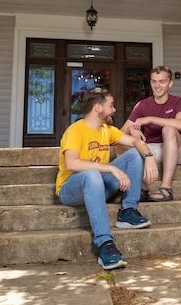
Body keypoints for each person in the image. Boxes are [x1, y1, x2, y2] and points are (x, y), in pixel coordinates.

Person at [56, 88, 159, 270]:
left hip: (98, 186)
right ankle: (105, 244)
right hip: (71, 189)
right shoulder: (75, 130)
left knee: (135, 154)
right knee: (92, 173)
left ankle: (128, 211)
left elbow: (136, 142)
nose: (114, 109)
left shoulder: (107, 130)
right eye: (110, 105)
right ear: (98, 108)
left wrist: (149, 157)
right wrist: (110, 168)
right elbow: (71, 163)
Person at [116, 66, 181, 202]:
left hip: (174, 149)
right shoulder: (142, 105)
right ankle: (142, 188)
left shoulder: (179, 102)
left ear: (170, 83)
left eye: (162, 81)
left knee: (168, 129)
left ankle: (166, 188)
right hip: (151, 150)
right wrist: (131, 129)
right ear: (150, 83)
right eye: (154, 81)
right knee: (120, 143)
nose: (157, 85)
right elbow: (119, 134)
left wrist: (150, 119)